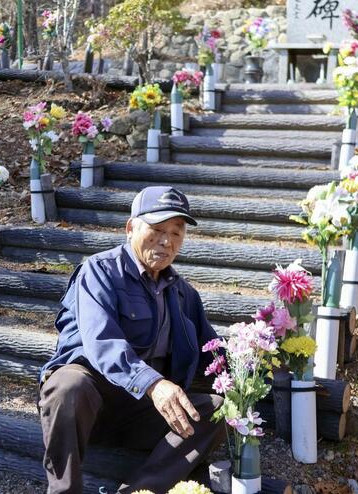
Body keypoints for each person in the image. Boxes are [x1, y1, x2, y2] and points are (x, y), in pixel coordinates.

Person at [38, 186, 226, 494]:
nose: (166, 241)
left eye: (176, 233)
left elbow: (213, 354)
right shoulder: (99, 271)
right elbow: (102, 341)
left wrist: (259, 358)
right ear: (130, 228)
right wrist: (154, 383)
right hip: (90, 402)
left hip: (141, 412)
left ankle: (140, 490)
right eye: (156, 229)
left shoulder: (183, 294)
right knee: (68, 384)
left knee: (215, 409)